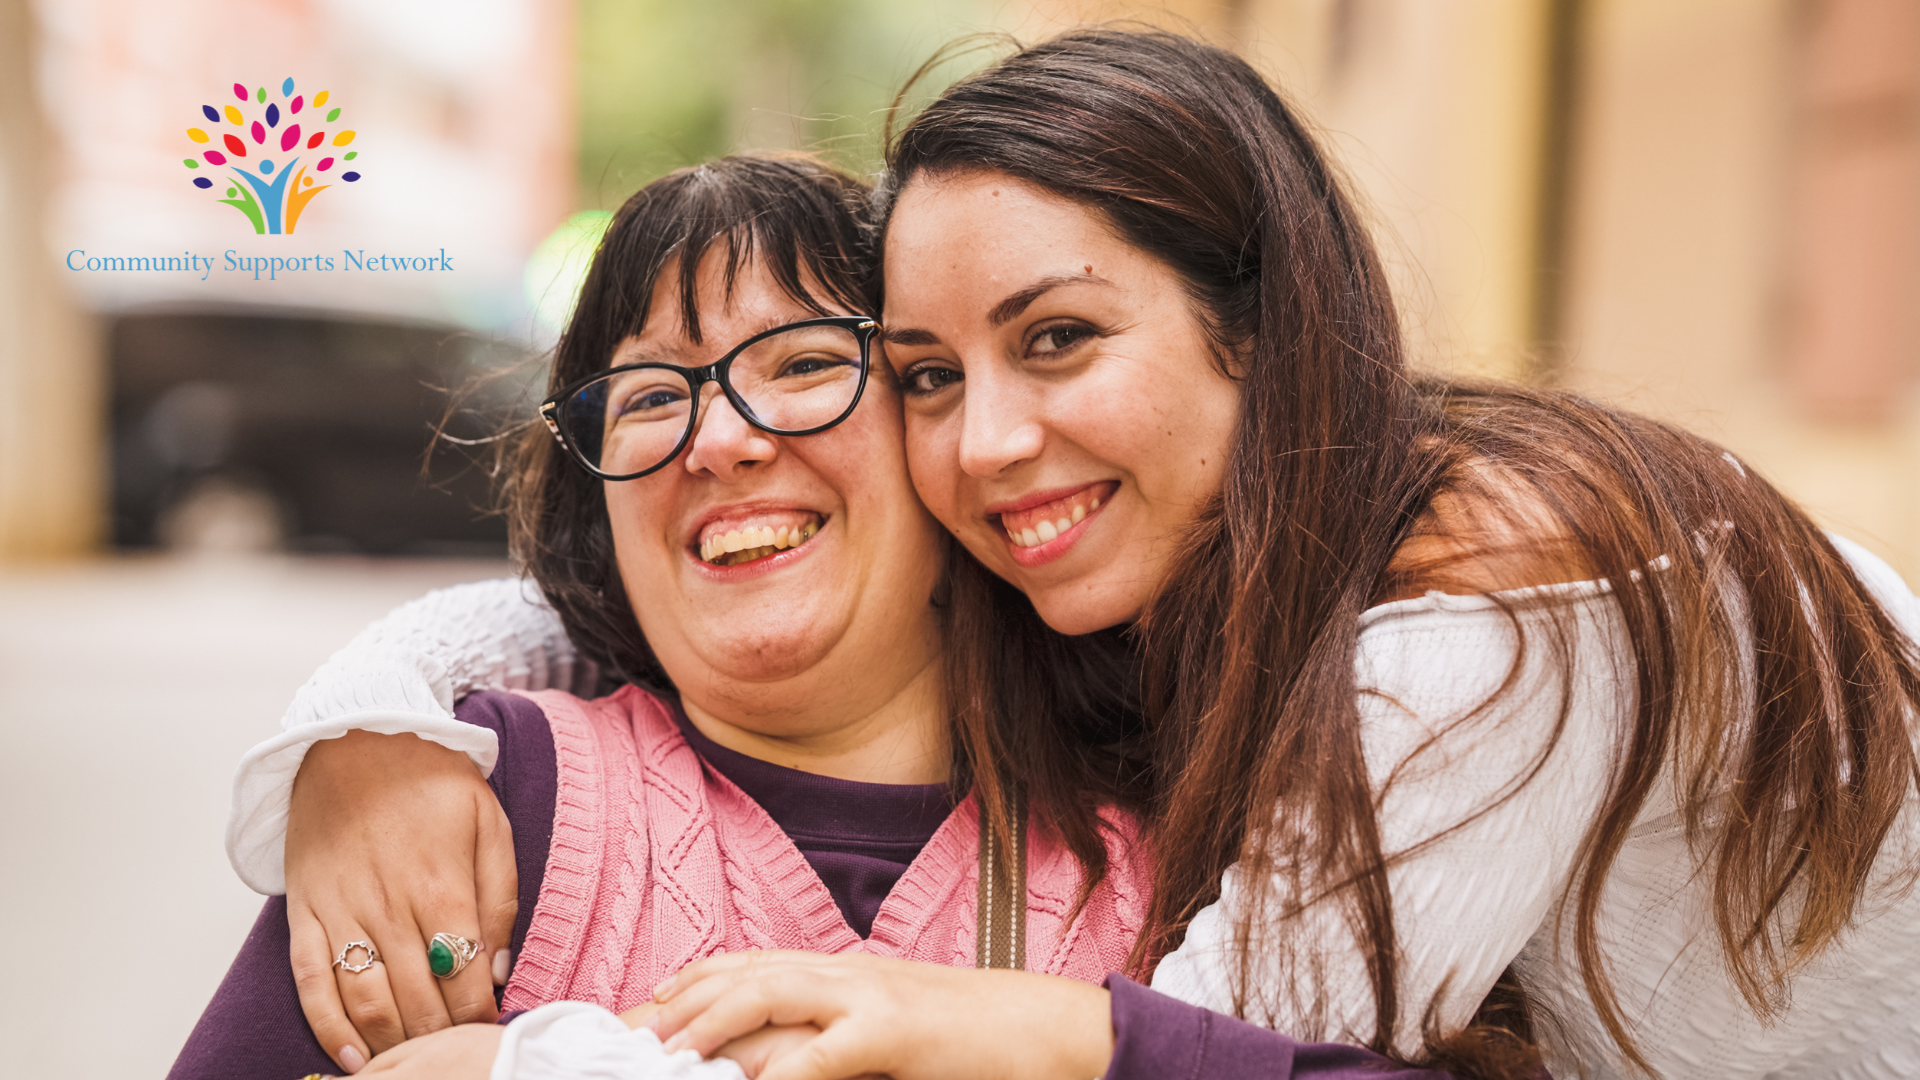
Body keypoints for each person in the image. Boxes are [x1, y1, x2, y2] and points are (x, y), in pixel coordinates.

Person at [229, 28, 1920, 1080]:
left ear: (1262, 331)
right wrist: (374, 721)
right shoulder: (1252, 565)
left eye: (1057, 341)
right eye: (930, 377)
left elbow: (1235, 1062)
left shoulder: (1486, 616)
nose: (983, 446)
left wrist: (534, 1071)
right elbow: (687, 563)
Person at [166, 153, 1160, 1080]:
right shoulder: (464, 799)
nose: (720, 439)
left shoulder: (1175, 848)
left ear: (935, 414)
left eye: (805, 365)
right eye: (648, 396)